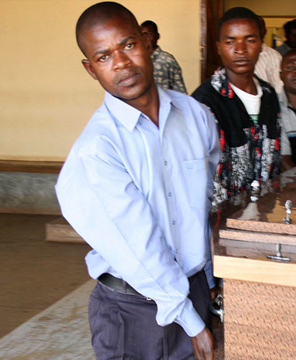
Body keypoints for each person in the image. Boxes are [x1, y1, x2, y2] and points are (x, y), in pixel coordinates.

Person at [55, 2, 218, 359]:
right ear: (91, 69)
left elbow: (205, 203)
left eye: (128, 45)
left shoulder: (196, 116)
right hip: (133, 312)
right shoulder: (97, 150)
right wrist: (191, 321)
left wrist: (207, 286)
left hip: (194, 293)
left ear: (147, 42)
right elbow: (138, 248)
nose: (122, 64)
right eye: (103, 57)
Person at [192, 7, 281, 206]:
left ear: (261, 45)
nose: (240, 50)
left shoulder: (269, 95)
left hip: (264, 215)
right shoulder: (203, 102)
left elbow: (274, 160)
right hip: (221, 223)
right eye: (230, 41)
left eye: (249, 40)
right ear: (218, 47)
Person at [140, 20, 187, 93]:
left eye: (149, 34)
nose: (146, 38)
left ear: (157, 36)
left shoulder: (167, 60)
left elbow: (180, 91)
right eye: (143, 35)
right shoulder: (137, 60)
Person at [254, 15, 284, 93]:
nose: (255, 31)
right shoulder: (241, 53)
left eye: (259, 28)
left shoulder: (274, 57)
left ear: (264, 31)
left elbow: (279, 88)